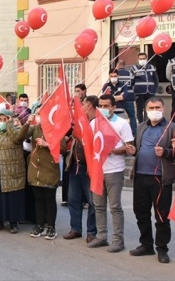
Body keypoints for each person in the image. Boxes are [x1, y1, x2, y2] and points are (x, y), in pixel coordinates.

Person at [125, 97, 175, 264]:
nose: (154, 110)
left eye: (157, 107)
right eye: (151, 107)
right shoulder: (142, 127)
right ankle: (146, 244)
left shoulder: (172, 128)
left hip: (160, 178)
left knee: (162, 216)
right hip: (141, 176)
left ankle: (162, 248)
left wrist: (165, 152)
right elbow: (138, 148)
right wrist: (133, 150)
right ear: (146, 109)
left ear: (163, 108)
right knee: (141, 212)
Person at [88, 94, 134, 253]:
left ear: (114, 107)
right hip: (97, 169)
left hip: (114, 170)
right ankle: (101, 236)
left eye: (106, 106)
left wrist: (112, 150)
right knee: (98, 206)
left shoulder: (122, 124)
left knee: (115, 207)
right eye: (100, 106)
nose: (103, 109)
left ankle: (118, 240)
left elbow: (129, 147)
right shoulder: (94, 122)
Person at [18, 112, 67, 240]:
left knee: (49, 199)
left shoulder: (57, 130)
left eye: (42, 114)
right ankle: (39, 225)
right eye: (39, 114)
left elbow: (63, 149)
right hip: (35, 169)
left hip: (50, 169)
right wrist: (27, 123)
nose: (40, 117)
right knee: (38, 199)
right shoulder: (34, 128)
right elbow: (19, 137)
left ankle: (51, 227)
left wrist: (48, 145)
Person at [64, 95, 97, 243]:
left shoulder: (96, 123)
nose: (81, 107)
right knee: (73, 199)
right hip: (74, 166)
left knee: (92, 201)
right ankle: (75, 228)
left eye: (83, 104)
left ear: (89, 106)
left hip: (89, 167)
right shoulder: (78, 122)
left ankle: (92, 231)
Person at [101, 68, 137, 136]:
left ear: (118, 76)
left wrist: (111, 97)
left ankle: (134, 134)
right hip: (109, 114)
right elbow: (105, 98)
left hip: (120, 112)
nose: (113, 78)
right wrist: (118, 97)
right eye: (111, 76)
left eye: (115, 76)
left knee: (120, 133)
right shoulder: (106, 86)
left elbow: (123, 97)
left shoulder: (123, 85)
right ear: (109, 76)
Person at [131, 52, 159, 123]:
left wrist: (155, 91)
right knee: (140, 110)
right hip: (139, 93)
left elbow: (156, 80)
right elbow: (131, 82)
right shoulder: (134, 68)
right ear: (138, 59)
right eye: (140, 59)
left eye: (143, 58)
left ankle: (149, 122)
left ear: (146, 59)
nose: (142, 60)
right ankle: (141, 124)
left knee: (150, 108)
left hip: (150, 92)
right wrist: (133, 93)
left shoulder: (152, 67)